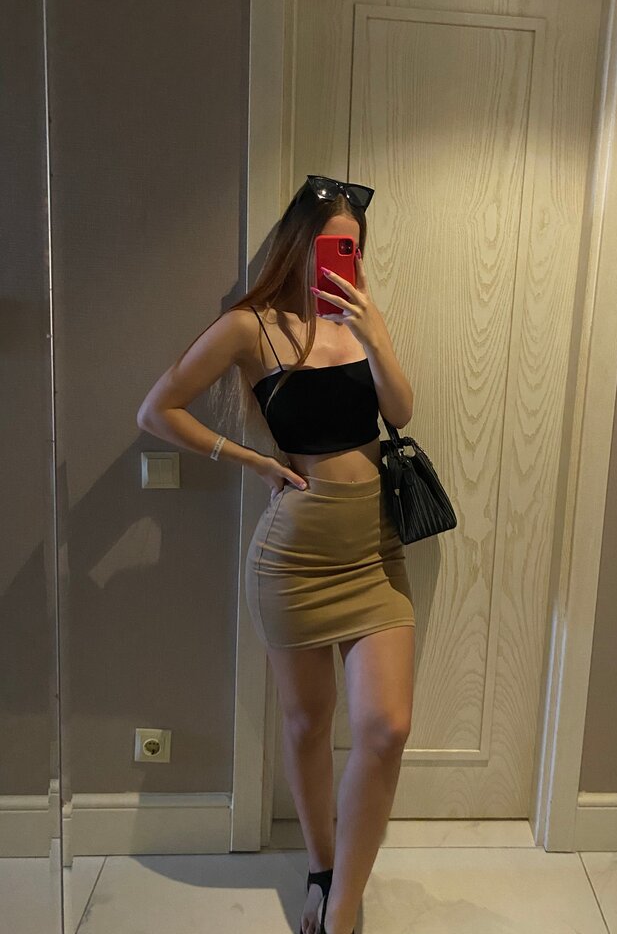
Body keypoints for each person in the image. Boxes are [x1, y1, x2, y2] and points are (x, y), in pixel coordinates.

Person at [136, 175, 416, 934]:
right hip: (293, 558)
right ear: (297, 244)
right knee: (307, 723)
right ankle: (323, 870)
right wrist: (248, 458)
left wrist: (376, 337)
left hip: (375, 549)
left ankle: (343, 906)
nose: (341, 259)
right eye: (329, 244)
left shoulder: (362, 321)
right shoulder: (249, 328)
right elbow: (157, 409)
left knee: (386, 728)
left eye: (352, 247)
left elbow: (400, 411)